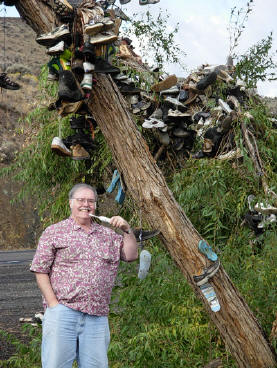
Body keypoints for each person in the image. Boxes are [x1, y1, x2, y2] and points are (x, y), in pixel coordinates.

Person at [30, 183, 138, 368]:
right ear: (71, 203)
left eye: (91, 201)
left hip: (97, 317)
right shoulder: (54, 232)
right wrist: (54, 306)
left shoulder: (108, 235)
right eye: (81, 200)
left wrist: (127, 230)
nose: (86, 204)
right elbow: (40, 270)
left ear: (96, 205)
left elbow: (130, 255)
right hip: (63, 312)